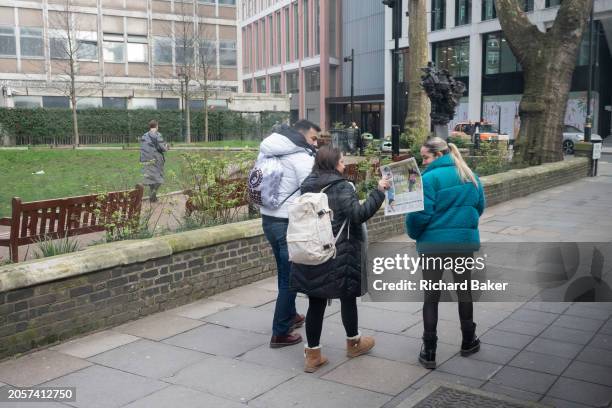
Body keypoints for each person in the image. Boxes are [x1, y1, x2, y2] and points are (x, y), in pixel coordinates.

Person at [291, 145, 390, 373]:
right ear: (334, 163)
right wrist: (379, 191)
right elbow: (358, 215)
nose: (344, 165)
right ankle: (354, 343)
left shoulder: (307, 185)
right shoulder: (342, 186)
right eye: (342, 161)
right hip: (339, 251)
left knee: (315, 302)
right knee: (347, 297)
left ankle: (312, 355)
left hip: (312, 250)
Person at [406, 137, 486, 369]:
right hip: (462, 244)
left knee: (431, 297)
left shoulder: (428, 179)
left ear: (439, 155)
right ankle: (469, 340)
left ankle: (429, 350)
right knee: (464, 291)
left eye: (426, 157)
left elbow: (419, 215)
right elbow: (479, 207)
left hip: (433, 246)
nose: (423, 162)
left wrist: (414, 232)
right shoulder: (469, 174)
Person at [260, 119, 319, 348]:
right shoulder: (301, 156)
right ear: (302, 135)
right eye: (313, 138)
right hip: (287, 223)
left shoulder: (268, 150)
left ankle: (291, 314)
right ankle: (280, 332)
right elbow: (312, 188)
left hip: (269, 219)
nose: (315, 143)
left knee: (283, 273)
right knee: (290, 279)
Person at [140, 120, 168, 202]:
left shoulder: (144, 135)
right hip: (156, 159)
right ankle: (152, 194)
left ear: (150, 126)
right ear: (156, 126)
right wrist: (167, 146)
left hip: (145, 159)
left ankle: (153, 198)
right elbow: (162, 148)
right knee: (159, 177)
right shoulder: (157, 135)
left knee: (150, 177)